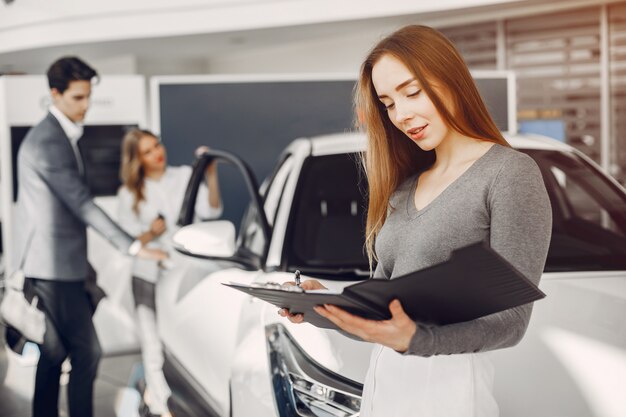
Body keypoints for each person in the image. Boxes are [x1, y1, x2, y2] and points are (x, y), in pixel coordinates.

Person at [280, 25, 552, 416]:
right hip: (386, 382)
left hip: (450, 389)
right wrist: (324, 305)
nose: (401, 115)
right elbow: (382, 309)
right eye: (388, 103)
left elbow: (511, 321)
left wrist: (418, 339)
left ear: (452, 81)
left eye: (412, 92)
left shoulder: (509, 174)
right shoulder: (405, 188)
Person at [11, 56, 167, 417]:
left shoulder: (59, 136)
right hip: (52, 267)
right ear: (55, 94)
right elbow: (80, 202)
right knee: (87, 352)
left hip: (56, 264)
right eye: (78, 98)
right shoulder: (48, 141)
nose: (86, 106)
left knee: (53, 355)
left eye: (88, 97)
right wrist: (132, 244)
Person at [117, 128, 222, 417]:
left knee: (190, 337)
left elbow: (212, 212)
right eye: (148, 151)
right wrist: (151, 233)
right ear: (136, 159)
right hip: (147, 276)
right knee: (152, 344)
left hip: (185, 271)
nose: (157, 153)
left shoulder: (184, 176)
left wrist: (209, 175)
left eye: (157, 145)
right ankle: (162, 406)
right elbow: (126, 242)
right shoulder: (128, 195)